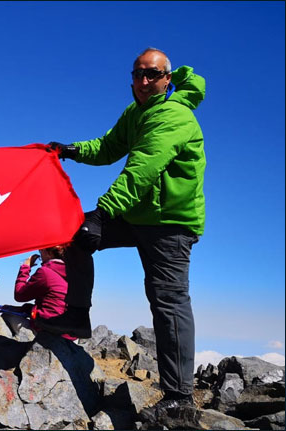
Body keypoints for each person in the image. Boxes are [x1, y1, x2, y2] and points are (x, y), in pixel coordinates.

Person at [43, 48, 205, 409]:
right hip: (137, 213)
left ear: (168, 78)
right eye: (138, 74)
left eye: (152, 75)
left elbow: (144, 169)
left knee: (167, 301)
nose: (144, 82)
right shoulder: (136, 113)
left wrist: (101, 214)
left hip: (170, 223)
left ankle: (180, 399)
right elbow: (108, 146)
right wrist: (70, 150)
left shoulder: (174, 115)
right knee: (72, 233)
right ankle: (76, 315)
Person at [14, 246, 76, 341]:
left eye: (41, 251)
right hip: (71, 334)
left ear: (49, 253)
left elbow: (19, 294)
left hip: (50, 330)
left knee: (6, 317)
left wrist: (25, 267)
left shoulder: (45, 272)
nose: (40, 255)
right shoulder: (73, 274)